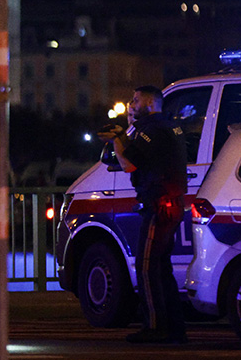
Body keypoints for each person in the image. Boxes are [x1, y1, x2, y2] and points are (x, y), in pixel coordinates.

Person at [97, 85, 188, 344]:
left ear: (149, 102)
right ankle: (175, 329)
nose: (131, 103)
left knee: (147, 267)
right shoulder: (171, 126)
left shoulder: (149, 130)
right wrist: (127, 131)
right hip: (171, 203)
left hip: (157, 204)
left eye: (135, 100)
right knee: (162, 268)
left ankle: (155, 327)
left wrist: (118, 137)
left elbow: (128, 164)